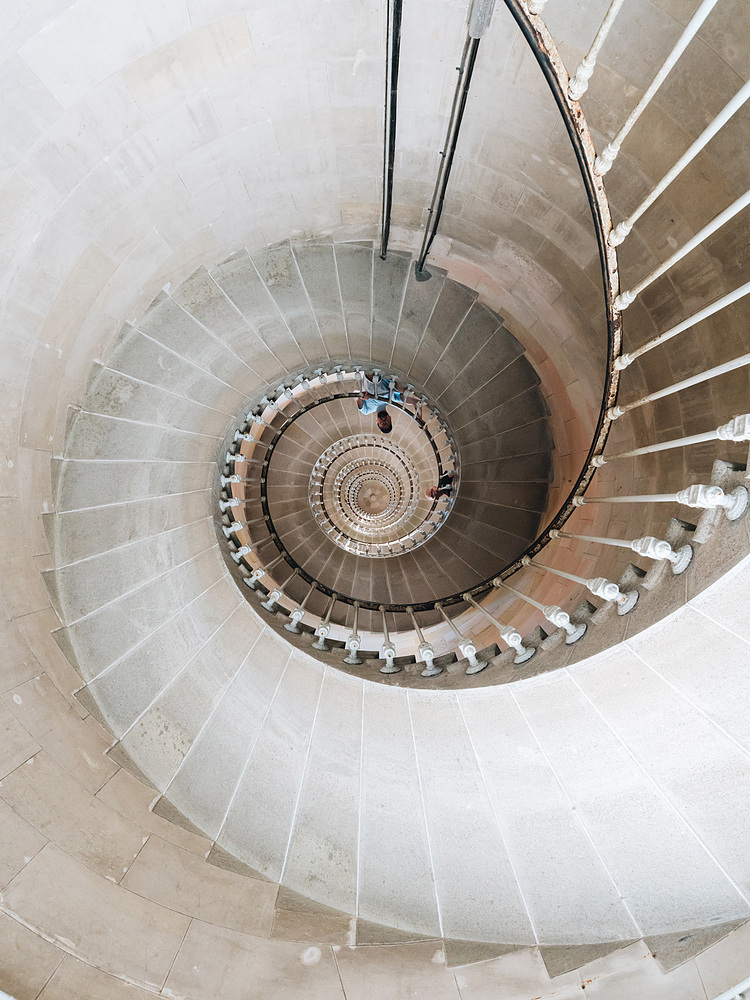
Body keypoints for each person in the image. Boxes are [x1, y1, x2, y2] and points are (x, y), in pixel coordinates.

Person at [357, 374, 421, 434]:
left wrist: (362, 396)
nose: (384, 421)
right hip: (385, 378)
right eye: (387, 422)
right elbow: (416, 402)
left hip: (370, 386)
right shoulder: (392, 400)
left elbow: (356, 395)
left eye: (382, 423)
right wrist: (420, 419)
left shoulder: (367, 410)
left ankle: (372, 370)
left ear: (377, 421)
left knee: (371, 388)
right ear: (390, 418)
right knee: (403, 390)